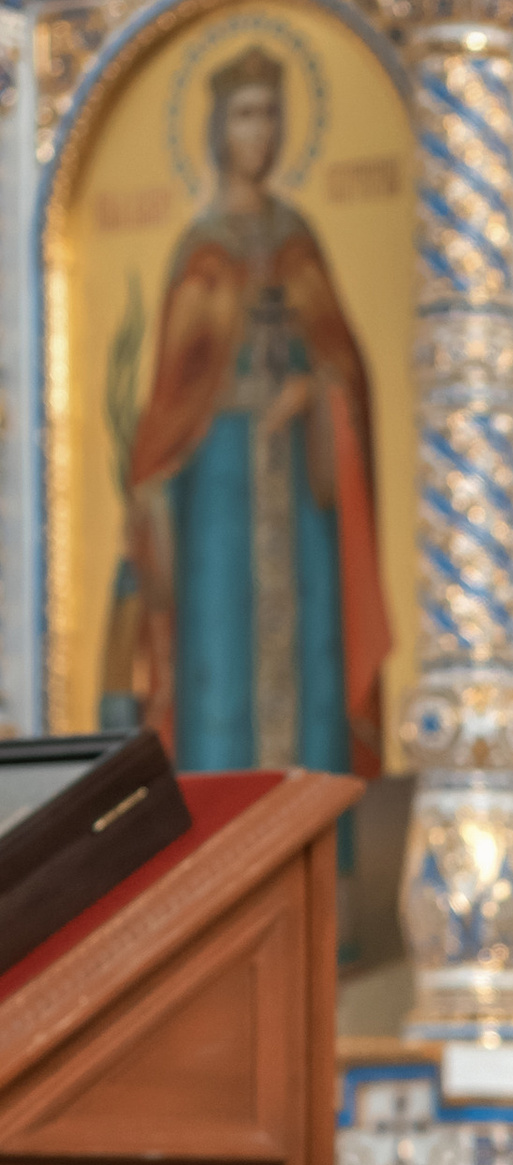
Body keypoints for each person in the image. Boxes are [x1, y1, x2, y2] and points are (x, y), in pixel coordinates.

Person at [123, 44, 391, 780]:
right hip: (218, 488)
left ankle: (319, 878)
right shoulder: (200, 252)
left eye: (271, 115)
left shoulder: (300, 243)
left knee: (310, 666)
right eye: (244, 116)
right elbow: (171, 400)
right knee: (219, 661)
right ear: (216, 129)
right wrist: (154, 474)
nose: (259, 133)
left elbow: (346, 364)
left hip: (305, 495)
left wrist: (319, 393)